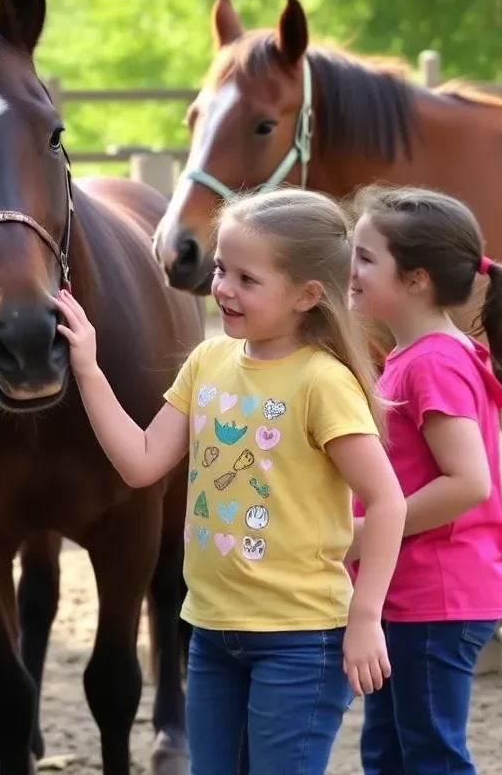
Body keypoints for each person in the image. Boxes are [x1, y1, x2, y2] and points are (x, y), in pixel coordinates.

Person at [53, 187, 406, 775]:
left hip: (301, 640)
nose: (223, 288)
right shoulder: (207, 362)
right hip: (211, 632)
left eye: (247, 278)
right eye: (221, 269)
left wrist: (366, 618)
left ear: (307, 295)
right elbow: (140, 462)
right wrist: (88, 369)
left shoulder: (323, 382)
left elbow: (386, 500)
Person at [347, 185, 502, 774]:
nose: (349, 269)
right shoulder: (418, 356)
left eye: (365, 258)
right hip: (411, 596)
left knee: (429, 757)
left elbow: (467, 483)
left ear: (416, 280)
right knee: (389, 751)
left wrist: (364, 534)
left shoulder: (432, 362)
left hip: (437, 598)